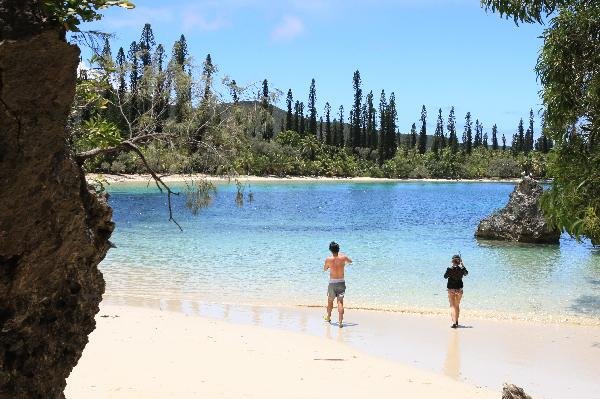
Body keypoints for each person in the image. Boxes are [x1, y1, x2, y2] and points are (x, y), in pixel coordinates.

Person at [323, 241, 352, 327]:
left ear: (330, 250)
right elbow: (350, 261)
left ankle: (328, 317)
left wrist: (329, 266)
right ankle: (340, 322)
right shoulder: (343, 257)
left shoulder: (328, 259)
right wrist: (342, 258)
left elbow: (325, 269)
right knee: (340, 302)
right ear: (338, 249)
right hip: (341, 283)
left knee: (330, 301)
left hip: (332, 283)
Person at [444, 254, 468, 328]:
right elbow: (466, 273)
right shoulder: (461, 269)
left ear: (452, 261)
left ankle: (454, 323)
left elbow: (445, 277)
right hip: (459, 290)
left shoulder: (449, 269)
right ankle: (456, 321)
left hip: (451, 290)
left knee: (452, 306)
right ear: (459, 261)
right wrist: (463, 265)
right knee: (457, 306)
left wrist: (451, 269)